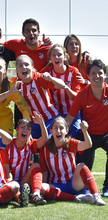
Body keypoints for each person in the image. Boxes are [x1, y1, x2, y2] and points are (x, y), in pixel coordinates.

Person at [65, 59, 108, 197]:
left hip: (106, 134)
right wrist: (58, 135)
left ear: (105, 74)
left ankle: (107, 187)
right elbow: (69, 120)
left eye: (100, 73)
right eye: (93, 73)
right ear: (87, 76)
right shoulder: (82, 95)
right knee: (81, 164)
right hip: (87, 135)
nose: (96, 76)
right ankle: (84, 188)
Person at [39, 116, 105, 205]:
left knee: (81, 165)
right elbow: (45, 171)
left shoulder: (70, 143)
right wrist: (44, 191)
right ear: (51, 131)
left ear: (66, 131)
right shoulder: (45, 147)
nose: (58, 131)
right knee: (42, 187)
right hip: (56, 186)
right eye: (55, 128)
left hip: (73, 184)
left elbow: (88, 145)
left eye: (61, 128)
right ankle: (76, 198)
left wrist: (85, 131)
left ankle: (96, 196)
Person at [15, 55, 69, 139]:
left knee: (48, 143)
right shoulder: (16, 84)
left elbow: (62, 85)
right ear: (17, 70)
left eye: (26, 64)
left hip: (50, 117)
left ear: (32, 67)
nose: (23, 67)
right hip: (34, 122)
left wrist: (51, 78)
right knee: (31, 146)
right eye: (20, 65)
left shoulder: (39, 78)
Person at [1, 112, 48, 206]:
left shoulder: (31, 145)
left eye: (28, 129)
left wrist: (41, 123)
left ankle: (36, 195)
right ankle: (20, 198)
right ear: (17, 129)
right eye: (22, 127)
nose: (25, 130)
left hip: (24, 181)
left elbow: (44, 138)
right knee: (11, 186)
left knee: (36, 165)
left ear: (30, 133)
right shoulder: (8, 145)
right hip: (10, 180)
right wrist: (10, 180)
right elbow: (6, 169)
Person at [40, 44, 83, 137]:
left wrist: (66, 87)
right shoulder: (46, 71)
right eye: (53, 55)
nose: (56, 57)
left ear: (65, 56)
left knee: (76, 138)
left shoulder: (73, 72)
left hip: (72, 112)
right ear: (50, 58)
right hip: (55, 113)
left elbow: (76, 97)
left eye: (59, 54)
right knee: (53, 140)